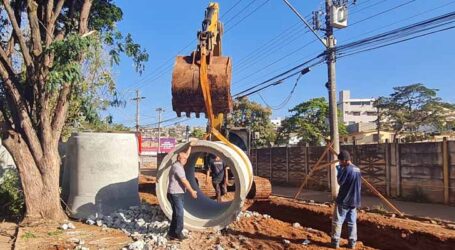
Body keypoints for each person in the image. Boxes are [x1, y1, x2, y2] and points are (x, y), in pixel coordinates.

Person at [167, 140, 198, 241]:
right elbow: (185, 181)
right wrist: (192, 191)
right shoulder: (178, 168)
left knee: (176, 213)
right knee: (180, 214)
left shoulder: (179, 163)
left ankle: (171, 233)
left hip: (178, 193)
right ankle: (178, 233)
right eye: (184, 159)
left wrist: (190, 146)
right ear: (180, 159)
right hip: (175, 194)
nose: (186, 160)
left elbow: (186, 155)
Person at [331, 150, 361, 249]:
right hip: (354, 201)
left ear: (344, 160)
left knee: (337, 221)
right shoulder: (357, 169)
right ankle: (352, 243)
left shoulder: (346, 169)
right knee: (352, 222)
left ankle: (335, 242)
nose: (339, 163)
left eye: (340, 161)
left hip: (344, 200)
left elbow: (340, 182)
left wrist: (339, 171)